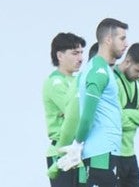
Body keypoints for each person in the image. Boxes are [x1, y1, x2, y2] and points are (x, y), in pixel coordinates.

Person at [60, 18, 129, 187]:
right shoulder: (98, 71)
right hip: (102, 152)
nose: (126, 44)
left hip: (105, 151)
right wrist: (77, 143)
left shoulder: (101, 68)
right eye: (122, 38)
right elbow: (86, 116)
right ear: (108, 40)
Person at [44, 32, 86, 187]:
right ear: (60, 56)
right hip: (60, 152)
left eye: (81, 53)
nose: (80, 58)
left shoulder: (77, 80)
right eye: (75, 53)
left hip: (78, 152)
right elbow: (77, 113)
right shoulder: (55, 82)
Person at [115, 43, 139, 187]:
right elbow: (115, 120)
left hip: (130, 153)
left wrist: (127, 114)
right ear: (127, 61)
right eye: (137, 71)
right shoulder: (113, 80)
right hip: (113, 153)